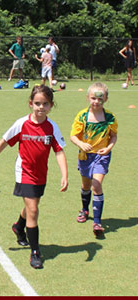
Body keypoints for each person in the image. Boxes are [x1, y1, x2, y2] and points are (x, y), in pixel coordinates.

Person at [0, 85, 68, 269]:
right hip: (24, 171)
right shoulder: (21, 124)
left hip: (40, 174)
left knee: (31, 207)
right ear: (30, 104)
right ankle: (35, 252)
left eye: (45, 104)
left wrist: (64, 174)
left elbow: (59, 151)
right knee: (34, 210)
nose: (40, 107)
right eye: (37, 103)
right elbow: (3, 142)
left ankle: (19, 227)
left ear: (51, 105)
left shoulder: (52, 127)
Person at [70, 82, 118, 237]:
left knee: (96, 186)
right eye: (93, 98)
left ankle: (97, 221)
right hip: (85, 156)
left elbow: (113, 136)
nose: (96, 102)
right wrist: (81, 143)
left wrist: (109, 148)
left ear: (106, 99)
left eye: (100, 99)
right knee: (86, 185)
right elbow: (73, 136)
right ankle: (84, 209)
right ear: (88, 98)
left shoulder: (109, 117)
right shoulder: (82, 116)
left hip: (101, 156)